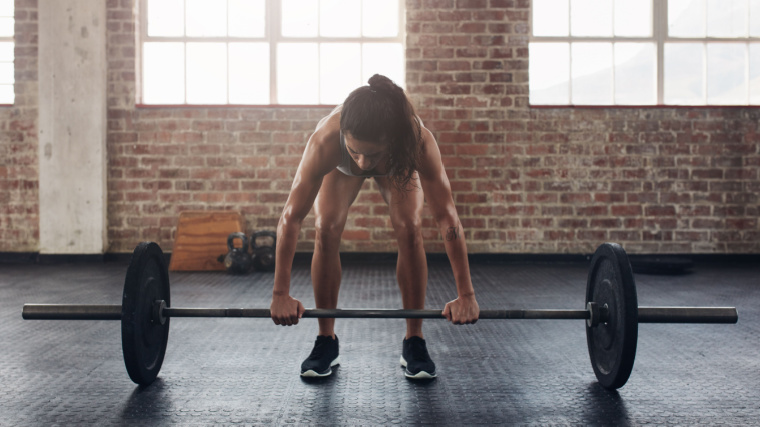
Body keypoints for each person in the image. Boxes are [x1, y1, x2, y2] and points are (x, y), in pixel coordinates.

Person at [269, 74, 480, 380]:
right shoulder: (326, 140)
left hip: (396, 165)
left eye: (373, 154)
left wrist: (467, 294)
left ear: (392, 140)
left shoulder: (417, 141)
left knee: (409, 227)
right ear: (344, 135)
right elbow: (291, 217)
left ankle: (414, 340)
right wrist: (280, 293)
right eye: (356, 151)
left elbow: (447, 217)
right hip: (339, 169)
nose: (364, 163)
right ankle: (326, 340)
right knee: (325, 227)